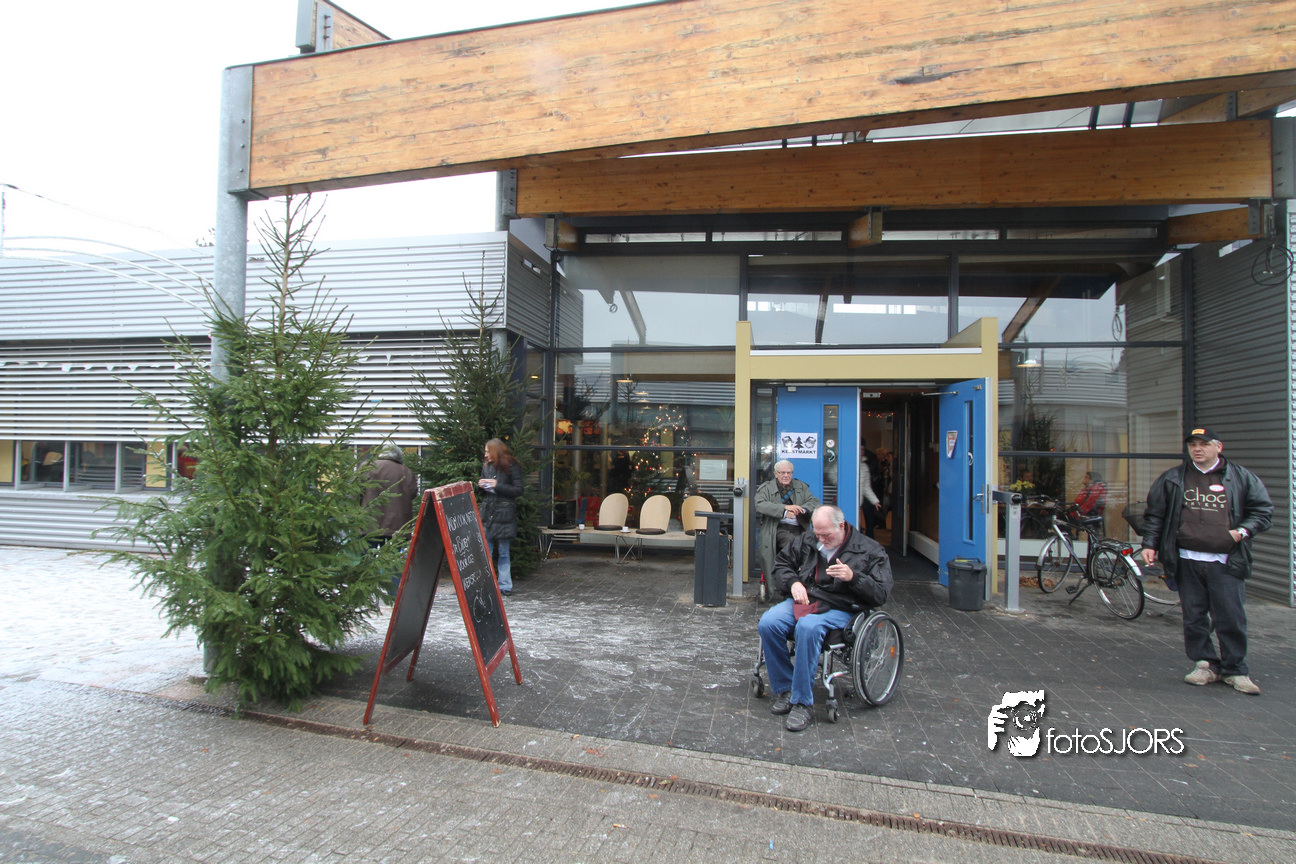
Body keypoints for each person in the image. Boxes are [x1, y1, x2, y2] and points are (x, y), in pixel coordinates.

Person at [1138, 426, 1272, 695]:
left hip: (1226, 560)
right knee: (1194, 616)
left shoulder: (1241, 477)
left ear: (1218, 447)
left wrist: (1240, 532)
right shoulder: (1173, 478)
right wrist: (1150, 544)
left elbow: (1262, 511)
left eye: (1204, 444)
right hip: (1186, 559)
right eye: (1193, 445)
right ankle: (1205, 664)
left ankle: (1235, 670)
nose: (1197, 449)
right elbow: (1155, 514)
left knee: (1231, 617)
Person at [758, 506, 893, 731]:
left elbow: (881, 593)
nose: (821, 539)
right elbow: (782, 563)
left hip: (841, 606)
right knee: (769, 623)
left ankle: (802, 702)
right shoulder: (809, 539)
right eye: (817, 534)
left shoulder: (869, 550)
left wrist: (853, 577)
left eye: (826, 535)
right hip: (808, 599)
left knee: (808, 627)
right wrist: (793, 583)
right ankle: (785, 688)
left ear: (841, 526)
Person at [361, 443, 419, 596]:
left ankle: (364, 593)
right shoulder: (405, 471)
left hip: (369, 524)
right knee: (394, 562)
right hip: (398, 526)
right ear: (398, 455)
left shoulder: (367, 467)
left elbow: (355, 492)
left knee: (366, 559)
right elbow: (413, 493)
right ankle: (394, 595)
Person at [754, 460, 820, 580]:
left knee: (813, 545)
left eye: (789, 473)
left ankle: (806, 579)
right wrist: (784, 510)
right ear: (776, 474)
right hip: (776, 529)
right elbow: (760, 504)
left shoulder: (801, 486)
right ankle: (789, 577)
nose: (786, 475)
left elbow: (814, 501)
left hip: (800, 528)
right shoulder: (767, 488)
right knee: (792, 542)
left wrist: (801, 510)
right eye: (783, 472)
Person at [479, 438, 524, 596]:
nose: (485, 455)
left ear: (495, 451)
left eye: (487, 451)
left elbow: (518, 490)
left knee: (503, 552)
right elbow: (484, 493)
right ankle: (487, 585)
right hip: (488, 514)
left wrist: (497, 485)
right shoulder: (487, 466)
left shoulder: (511, 465)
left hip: (504, 515)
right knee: (486, 553)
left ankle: (505, 585)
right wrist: (481, 485)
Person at [858, 448, 882, 539]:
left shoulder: (864, 467)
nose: (862, 451)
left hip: (858, 503)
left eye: (863, 449)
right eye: (860, 449)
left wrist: (875, 501)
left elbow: (866, 487)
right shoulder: (845, 463)